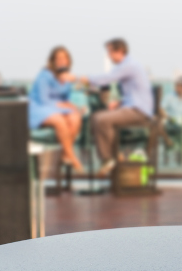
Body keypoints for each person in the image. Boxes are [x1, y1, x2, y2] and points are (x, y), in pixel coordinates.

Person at [63, 38, 153, 175]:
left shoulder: (129, 65)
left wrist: (80, 78)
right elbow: (134, 93)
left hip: (139, 112)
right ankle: (111, 157)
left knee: (102, 120)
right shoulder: (127, 65)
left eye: (110, 52)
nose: (108, 56)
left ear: (120, 51)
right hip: (132, 107)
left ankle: (109, 158)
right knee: (95, 118)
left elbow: (107, 78)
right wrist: (120, 102)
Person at [28, 46, 84, 171]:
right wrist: (64, 105)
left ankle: (65, 155)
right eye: (58, 58)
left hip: (58, 108)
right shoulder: (44, 75)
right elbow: (44, 100)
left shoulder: (67, 78)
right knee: (59, 121)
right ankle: (73, 158)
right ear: (52, 60)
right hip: (39, 108)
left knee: (75, 117)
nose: (61, 61)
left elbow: (67, 98)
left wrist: (73, 106)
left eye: (64, 58)